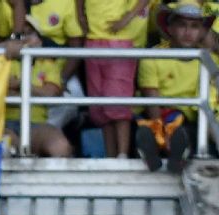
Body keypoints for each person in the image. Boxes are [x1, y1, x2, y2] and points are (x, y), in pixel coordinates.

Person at [135, 0, 209, 173]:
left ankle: (171, 150)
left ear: (201, 32)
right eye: (182, 25)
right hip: (158, 115)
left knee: (187, 130)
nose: (188, 32)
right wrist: (164, 131)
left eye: (194, 26)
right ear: (170, 29)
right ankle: (164, 149)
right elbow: (152, 100)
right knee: (148, 127)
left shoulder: (208, 60)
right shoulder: (153, 56)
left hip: (190, 120)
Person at [82, 0, 152, 158]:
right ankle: (110, 157)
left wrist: (128, 18)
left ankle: (122, 155)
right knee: (100, 105)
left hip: (119, 41)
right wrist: (80, 17)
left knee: (118, 102)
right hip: (92, 41)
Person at [3, 16, 73, 157]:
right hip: (5, 124)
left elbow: (51, 93)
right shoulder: (3, 61)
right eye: (19, 35)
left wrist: (19, 85)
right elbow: (1, 93)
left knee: (61, 147)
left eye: (29, 33)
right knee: (8, 144)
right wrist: (35, 91)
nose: (24, 39)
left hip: (36, 125)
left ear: (39, 39)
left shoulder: (47, 63)